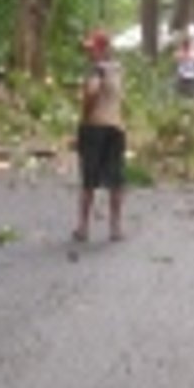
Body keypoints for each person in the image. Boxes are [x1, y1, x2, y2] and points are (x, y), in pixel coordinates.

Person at [74, 30, 126, 243]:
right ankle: (115, 228)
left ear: (103, 49)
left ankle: (83, 227)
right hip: (117, 127)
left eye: (92, 49)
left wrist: (84, 116)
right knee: (116, 179)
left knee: (89, 179)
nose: (89, 53)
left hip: (95, 127)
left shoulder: (96, 70)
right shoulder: (118, 69)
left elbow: (92, 93)